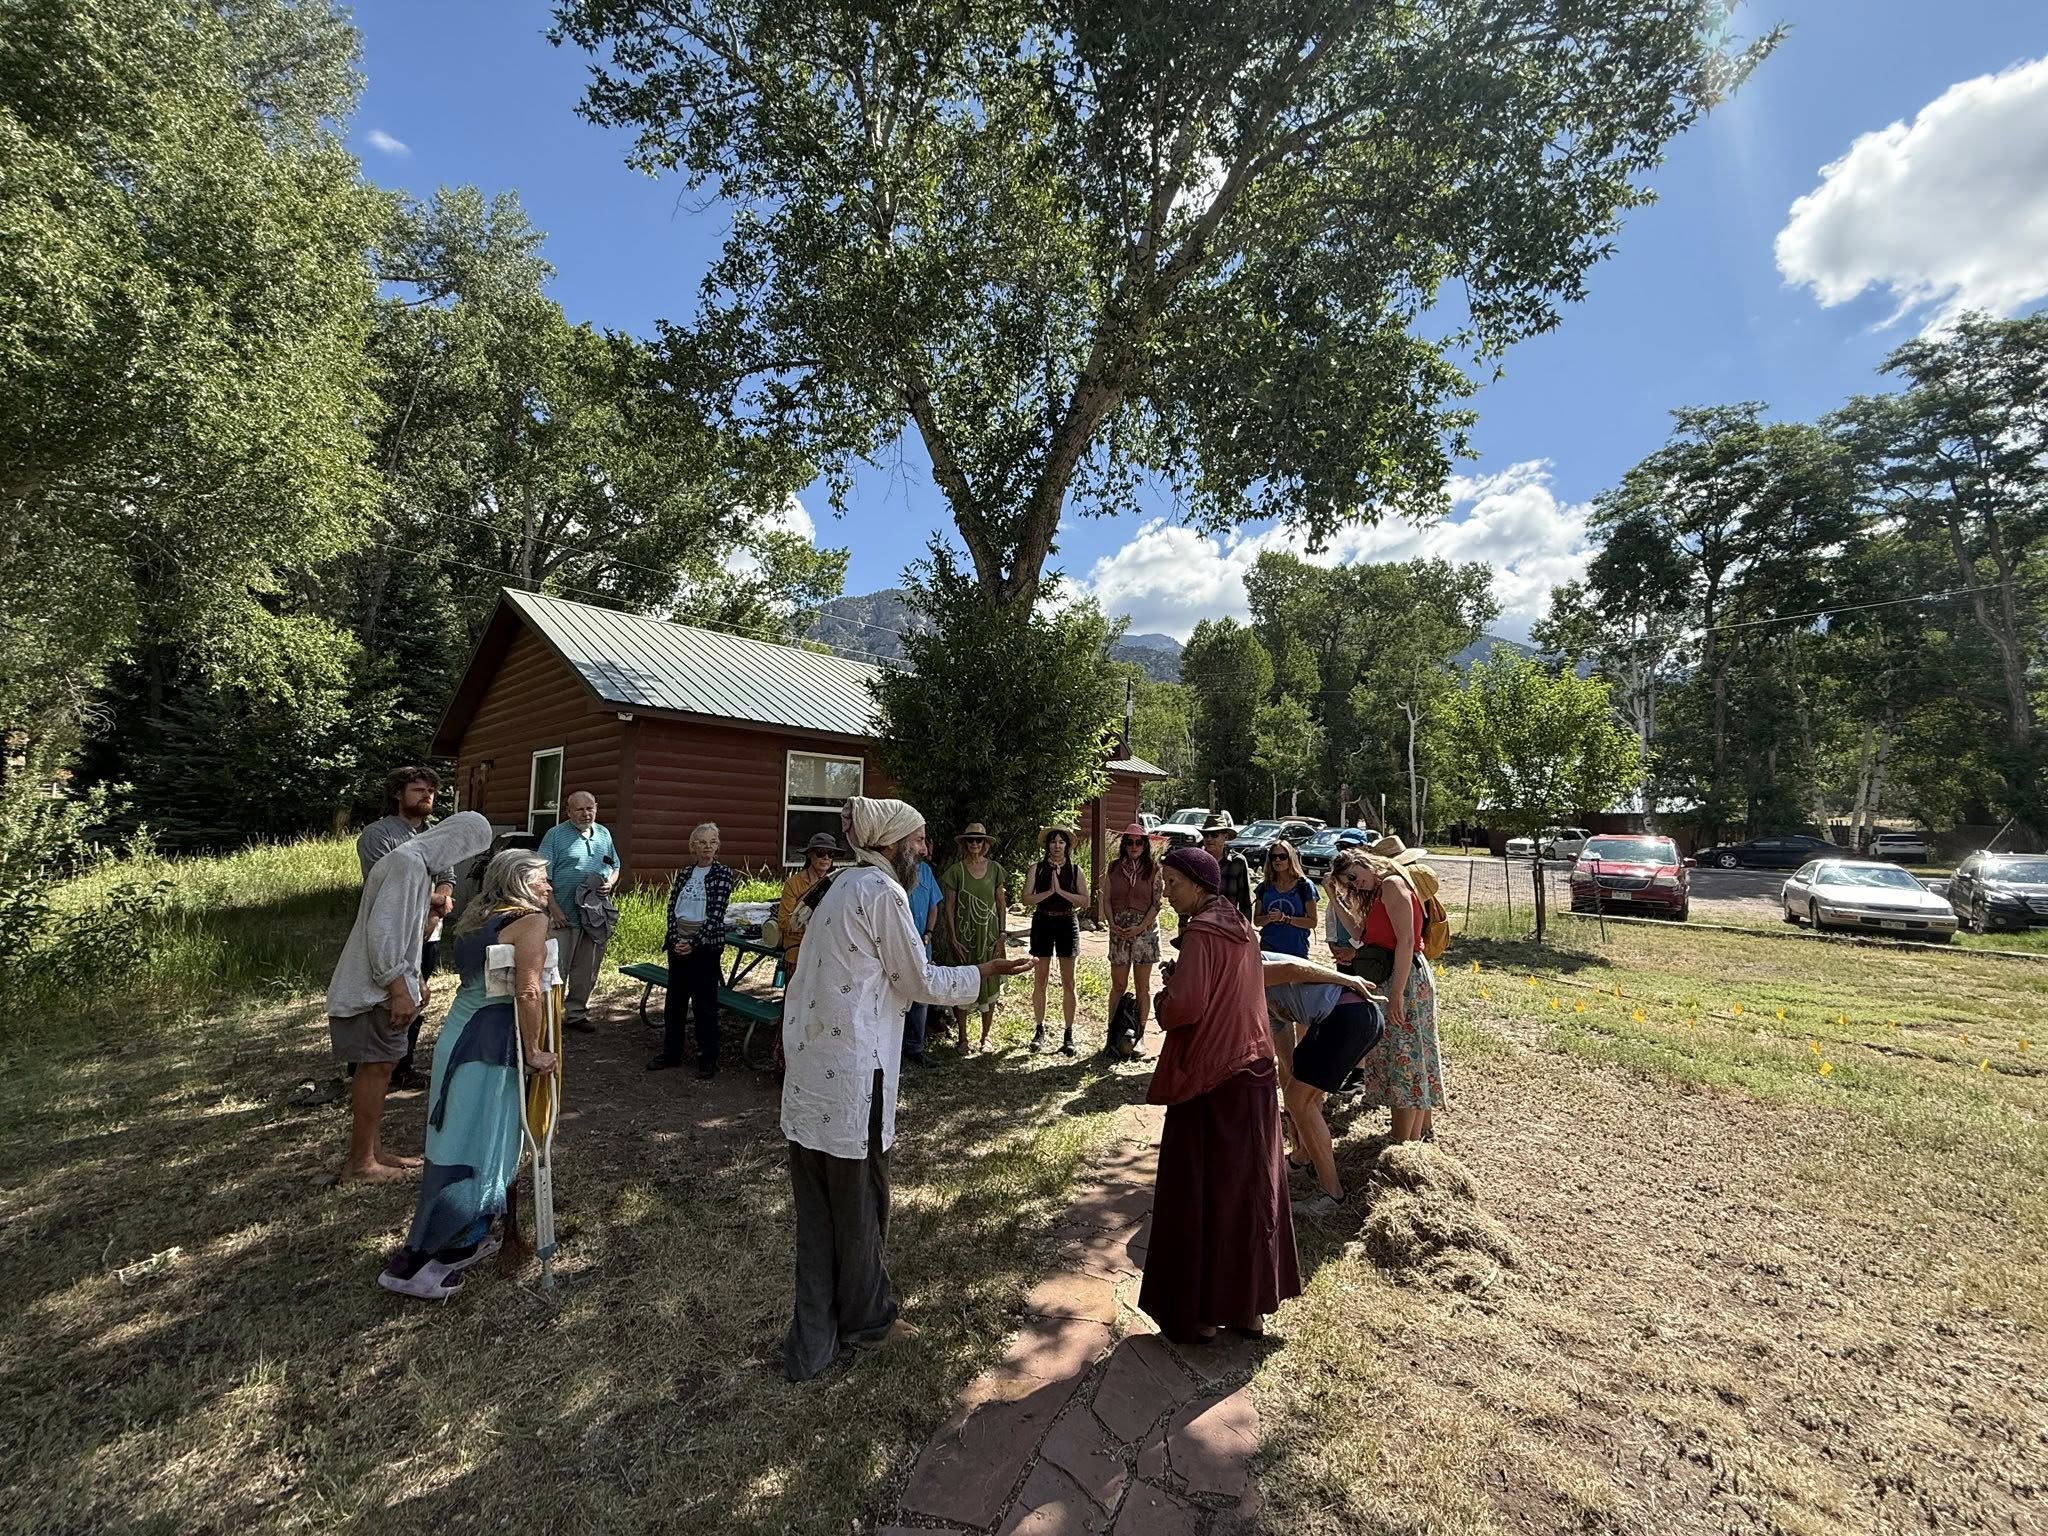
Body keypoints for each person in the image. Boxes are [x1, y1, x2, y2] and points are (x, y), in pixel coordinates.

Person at [780, 796, 1031, 1381]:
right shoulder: (882, 892)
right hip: (852, 1079)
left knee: (818, 1213)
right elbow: (918, 980)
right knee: (860, 1204)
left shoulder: (839, 886)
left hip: (812, 1073)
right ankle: (868, 1323)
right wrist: (984, 973)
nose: (924, 850)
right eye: (917, 840)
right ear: (891, 844)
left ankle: (816, 1336)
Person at [378, 849, 559, 1299]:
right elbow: (528, 991)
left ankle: (460, 1238)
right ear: (520, 882)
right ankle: (425, 1260)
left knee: (454, 1140)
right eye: (543, 879)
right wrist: (534, 1051)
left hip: (458, 1033)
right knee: (480, 1143)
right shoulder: (529, 921)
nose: (549, 887)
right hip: (490, 1043)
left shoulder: (478, 917)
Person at [1140, 847, 1301, 1343]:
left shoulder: (1203, 931)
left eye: (1173, 883)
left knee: (1203, 1192)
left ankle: (1201, 1316)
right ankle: (1249, 1311)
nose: (1167, 893)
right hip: (1254, 1068)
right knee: (1249, 1191)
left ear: (1198, 884)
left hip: (1211, 1076)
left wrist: (1164, 998)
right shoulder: (1241, 925)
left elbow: (1186, 1007)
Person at [325, 812, 494, 1183]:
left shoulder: (417, 866)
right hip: (373, 992)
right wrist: (398, 988)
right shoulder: (407, 865)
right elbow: (383, 935)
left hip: (388, 985)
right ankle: (361, 1164)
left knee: (383, 1066)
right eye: (465, 850)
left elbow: (408, 933)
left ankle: (373, 1151)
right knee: (375, 1067)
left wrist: (416, 978)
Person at [1328, 848, 1444, 1143]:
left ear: (1364, 862)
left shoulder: (1392, 884)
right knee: (1404, 1055)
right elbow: (1359, 933)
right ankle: (1418, 1135)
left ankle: (1406, 1142)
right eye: (1348, 883)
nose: (1355, 883)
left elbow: (1406, 941)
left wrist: (1396, 994)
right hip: (1391, 976)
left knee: (1405, 1058)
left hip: (1404, 977)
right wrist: (1333, 897)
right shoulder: (1375, 892)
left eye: (1354, 876)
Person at [356, 766, 459, 1089]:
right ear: (398, 794)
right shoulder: (379, 834)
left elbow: (447, 877)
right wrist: (436, 901)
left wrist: (438, 907)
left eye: (431, 791)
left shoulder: (436, 835)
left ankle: (403, 1067)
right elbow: (385, 885)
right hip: (390, 933)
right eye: (418, 789)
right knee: (382, 999)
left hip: (429, 932)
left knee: (417, 998)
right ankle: (365, 1069)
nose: (427, 795)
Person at [1264, 955, 1385, 1216]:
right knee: (1300, 1096)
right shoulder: (1254, 998)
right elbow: (1289, 1061)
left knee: (1301, 1100)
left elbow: (1293, 968)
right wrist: (1292, 1112)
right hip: (1348, 1017)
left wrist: (1347, 979)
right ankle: (1301, 1158)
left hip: (1348, 1016)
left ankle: (1333, 1196)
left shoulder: (1251, 964)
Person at [648, 823, 734, 1079]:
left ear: (718, 846)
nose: (707, 847)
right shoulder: (686, 873)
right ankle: (671, 1053)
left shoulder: (723, 874)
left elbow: (716, 914)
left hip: (705, 946)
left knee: (704, 1004)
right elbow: (671, 908)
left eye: (712, 842)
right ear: (693, 846)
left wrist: (694, 943)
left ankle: (708, 1058)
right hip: (678, 943)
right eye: (702, 842)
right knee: (675, 1002)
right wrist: (676, 939)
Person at [539, 791, 620, 1035]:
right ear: (568, 812)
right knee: (555, 970)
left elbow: (615, 866)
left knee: (586, 970)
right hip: (562, 916)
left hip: (593, 916)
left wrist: (610, 883)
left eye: (590, 808)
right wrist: (554, 909)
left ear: (596, 808)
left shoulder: (603, 834)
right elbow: (541, 876)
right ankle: (549, 1018)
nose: (586, 814)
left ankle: (576, 1014)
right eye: (580, 809)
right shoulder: (555, 836)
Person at [940, 822, 1008, 1053]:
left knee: (990, 982)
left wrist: (1002, 934)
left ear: (985, 843)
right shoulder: (956, 871)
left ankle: (986, 1037)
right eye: (970, 840)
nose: (974, 844)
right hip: (964, 937)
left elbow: (1001, 903)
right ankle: (963, 1038)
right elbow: (949, 907)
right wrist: (952, 937)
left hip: (989, 936)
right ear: (965, 844)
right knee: (962, 983)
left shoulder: (995, 869)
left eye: (978, 840)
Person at [1023, 827, 1090, 1054]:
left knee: (1068, 981)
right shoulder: (1037, 868)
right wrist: (1049, 892)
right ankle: (1039, 1029)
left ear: (1067, 846)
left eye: (1061, 842)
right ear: (1047, 845)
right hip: (1042, 921)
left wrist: (1061, 891)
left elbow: (1084, 900)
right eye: (1053, 842)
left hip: (1067, 922)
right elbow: (1026, 898)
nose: (1057, 846)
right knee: (1040, 979)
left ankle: (1068, 1033)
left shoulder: (1076, 870)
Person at [1105, 822, 1163, 1047]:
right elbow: (1106, 899)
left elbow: (1156, 904)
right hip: (1119, 930)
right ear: (1124, 844)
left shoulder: (1154, 869)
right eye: (1129, 842)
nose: (1134, 846)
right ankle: (1113, 1033)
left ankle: (1139, 1034)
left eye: (1139, 842)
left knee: (1142, 987)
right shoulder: (1113, 868)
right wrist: (1112, 924)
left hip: (1144, 932)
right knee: (1118, 985)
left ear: (1145, 844)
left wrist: (1140, 928)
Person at [777, 833, 840, 979]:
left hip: (827, 948)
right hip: (798, 947)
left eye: (830, 854)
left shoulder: (837, 883)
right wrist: (811, 925)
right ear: (810, 855)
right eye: (821, 853)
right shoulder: (793, 884)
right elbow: (784, 921)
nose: (826, 858)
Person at [902, 852, 944, 1067]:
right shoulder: (892, 871)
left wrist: (929, 931)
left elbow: (933, 905)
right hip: (898, 945)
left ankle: (916, 1048)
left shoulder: (926, 871)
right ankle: (895, 1048)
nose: (924, 849)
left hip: (922, 945)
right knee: (896, 996)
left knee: (921, 997)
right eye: (918, 841)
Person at [1253, 839, 1319, 958]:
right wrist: (1269, 917)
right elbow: (1257, 921)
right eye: (1273, 857)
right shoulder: (1264, 887)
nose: (1277, 860)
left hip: (1296, 950)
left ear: (1291, 858)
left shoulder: (1304, 886)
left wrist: (1285, 918)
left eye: (1282, 856)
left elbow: (1312, 922)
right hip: (1268, 950)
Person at [1199, 813, 1255, 922]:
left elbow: (1244, 901)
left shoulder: (1237, 862)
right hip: (1202, 923)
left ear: (1225, 837)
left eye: (1214, 835)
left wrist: (1246, 927)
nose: (1209, 839)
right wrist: (1182, 924)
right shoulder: (1197, 861)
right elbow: (1186, 897)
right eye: (1206, 835)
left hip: (1229, 923)